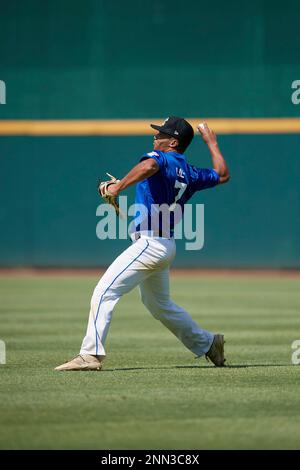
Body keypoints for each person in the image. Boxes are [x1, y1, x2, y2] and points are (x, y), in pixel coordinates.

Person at [55, 117, 230, 371]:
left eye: (161, 135)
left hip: (151, 243)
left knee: (105, 291)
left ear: (172, 142)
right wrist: (211, 143)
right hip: (165, 245)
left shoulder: (161, 158)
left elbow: (148, 166)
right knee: (159, 305)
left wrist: (118, 186)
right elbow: (223, 175)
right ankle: (208, 343)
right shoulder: (190, 173)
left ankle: (90, 355)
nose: (155, 137)